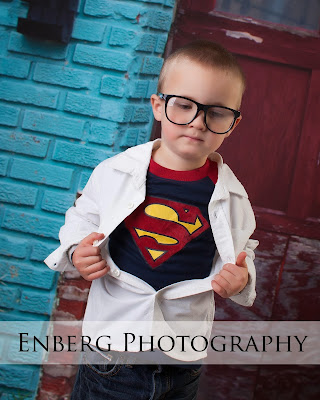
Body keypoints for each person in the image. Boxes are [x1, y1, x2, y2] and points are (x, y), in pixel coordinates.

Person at [45, 40, 258, 400]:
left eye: (216, 112)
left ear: (233, 124)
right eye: (184, 105)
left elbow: (242, 249)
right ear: (158, 106)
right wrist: (76, 250)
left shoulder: (231, 195)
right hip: (112, 354)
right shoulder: (116, 173)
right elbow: (83, 218)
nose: (197, 123)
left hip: (182, 358)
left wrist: (242, 277)